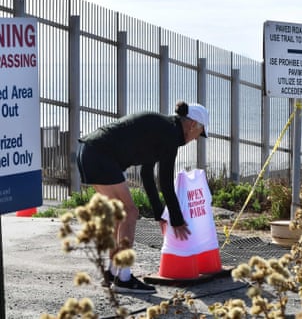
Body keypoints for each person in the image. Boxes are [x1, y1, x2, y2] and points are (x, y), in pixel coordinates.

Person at [76, 101, 209, 293]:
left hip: (89, 151)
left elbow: (147, 174)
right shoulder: (170, 134)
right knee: (130, 211)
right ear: (192, 125)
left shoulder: (163, 129)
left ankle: (113, 271)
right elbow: (165, 181)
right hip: (100, 154)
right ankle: (124, 277)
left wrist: (159, 213)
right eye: (200, 132)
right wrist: (177, 220)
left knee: (119, 213)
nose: (197, 139)